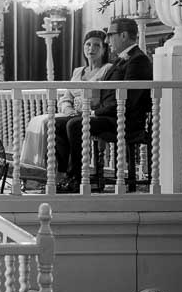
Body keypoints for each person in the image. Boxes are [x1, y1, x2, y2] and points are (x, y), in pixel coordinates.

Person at [55, 17, 152, 192]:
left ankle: (77, 178)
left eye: (110, 35)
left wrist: (94, 112)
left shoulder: (138, 60)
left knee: (76, 124)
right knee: (57, 123)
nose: (107, 40)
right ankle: (64, 174)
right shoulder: (123, 59)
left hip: (125, 121)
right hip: (111, 115)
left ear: (123, 35)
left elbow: (127, 101)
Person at [18, 29, 112, 180]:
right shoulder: (78, 71)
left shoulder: (107, 69)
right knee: (41, 121)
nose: (91, 48)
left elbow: (106, 98)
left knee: (56, 123)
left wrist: (86, 107)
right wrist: (68, 109)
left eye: (96, 45)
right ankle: (44, 170)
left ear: (104, 49)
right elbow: (66, 97)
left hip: (93, 114)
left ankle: (71, 173)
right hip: (72, 113)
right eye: (88, 44)